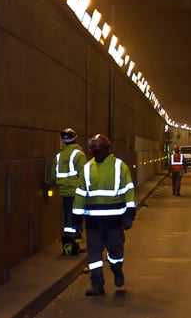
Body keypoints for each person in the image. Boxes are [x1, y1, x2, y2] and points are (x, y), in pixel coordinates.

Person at [72, 134, 136, 296]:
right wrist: (76, 219)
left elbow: (129, 191)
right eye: (94, 151)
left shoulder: (120, 166)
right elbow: (80, 194)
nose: (97, 154)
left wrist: (129, 214)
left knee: (115, 250)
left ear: (108, 149)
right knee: (93, 254)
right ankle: (97, 284)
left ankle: (116, 269)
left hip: (114, 221)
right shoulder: (87, 168)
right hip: (93, 222)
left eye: (99, 150)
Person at [48, 127, 87, 255]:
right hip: (77, 191)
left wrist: (48, 186)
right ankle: (74, 245)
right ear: (75, 138)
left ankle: (70, 247)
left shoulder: (59, 156)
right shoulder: (79, 155)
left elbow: (53, 175)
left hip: (65, 192)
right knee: (77, 219)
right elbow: (84, 174)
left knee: (68, 220)